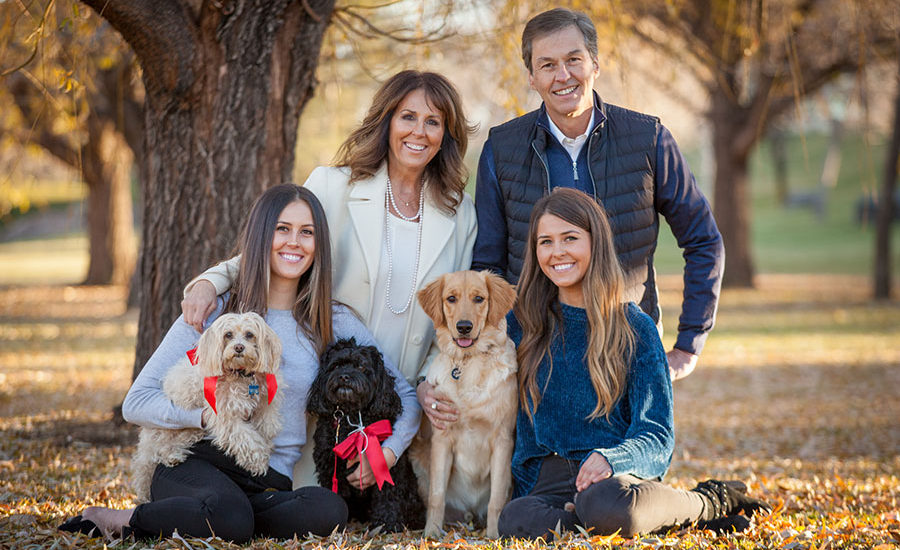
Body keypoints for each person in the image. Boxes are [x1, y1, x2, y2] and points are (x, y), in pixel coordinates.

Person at [60, 184, 419, 543]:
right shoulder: (216, 313)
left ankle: (222, 518)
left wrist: (387, 453)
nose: (294, 241)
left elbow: (405, 394)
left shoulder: (331, 319)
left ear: (318, 245)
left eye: (306, 232)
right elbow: (136, 403)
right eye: (282, 229)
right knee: (230, 516)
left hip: (268, 475)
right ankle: (125, 519)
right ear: (262, 234)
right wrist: (205, 416)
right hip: (195, 461)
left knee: (329, 510)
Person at [181, 70, 476, 444]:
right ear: (386, 121)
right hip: (326, 390)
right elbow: (280, 247)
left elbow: (453, 316)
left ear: (445, 136)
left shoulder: (460, 213)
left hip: (401, 404)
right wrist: (212, 280)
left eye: (433, 122)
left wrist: (425, 383)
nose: (419, 131)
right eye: (408, 117)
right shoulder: (333, 185)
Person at [497, 188, 768, 539]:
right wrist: (429, 383)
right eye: (545, 242)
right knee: (514, 519)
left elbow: (656, 434)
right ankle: (626, 523)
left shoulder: (634, 328)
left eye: (570, 238)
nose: (557, 251)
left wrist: (613, 459)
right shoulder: (523, 324)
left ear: (596, 242)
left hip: (615, 481)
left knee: (609, 506)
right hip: (546, 486)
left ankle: (708, 502)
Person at [472, 8, 725, 381]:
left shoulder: (648, 139)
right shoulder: (501, 149)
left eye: (574, 60)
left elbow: (703, 240)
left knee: (638, 443)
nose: (563, 76)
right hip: (534, 357)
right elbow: (488, 266)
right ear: (531, 76)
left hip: (629, 352)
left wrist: (689, 343)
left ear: (595, 64)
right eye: (547, 65)